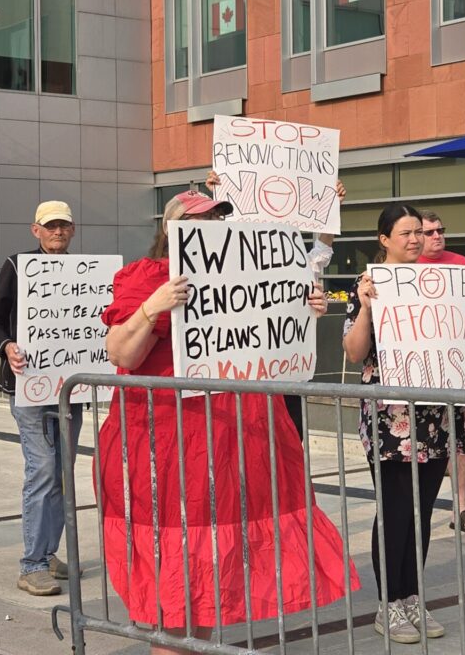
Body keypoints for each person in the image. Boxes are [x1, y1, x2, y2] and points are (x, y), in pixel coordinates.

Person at [98, 190, 357, 653]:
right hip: (168, 445)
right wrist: (153, 307)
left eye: (220, 216)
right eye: (203, 218)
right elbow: (121, 353)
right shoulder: (150, 276)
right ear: (173, 229)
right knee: (172, 587)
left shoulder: (246, 276)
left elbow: (276, 345)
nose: (215, 224)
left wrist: (302, 310)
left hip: (232, 442)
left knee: (210, 580)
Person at [343, 204, 464, 643]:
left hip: (434, 417)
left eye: (421, 232)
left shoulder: (444, 284)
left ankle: (412, 596)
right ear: (384, 239)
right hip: (390, 420)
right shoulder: (368, 284)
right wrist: (365, 308)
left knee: (422, 513)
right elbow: (354, 352)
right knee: (395, 511)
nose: (416, 240)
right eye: (406, 233)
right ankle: (389, 602)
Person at [0, 200, 84, 596]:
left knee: (62, 472)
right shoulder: (18, 265)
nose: (58, 232)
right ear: (35, 230)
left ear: (73, 230)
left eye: (64, 226)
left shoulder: (85, 271)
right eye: (50, 226)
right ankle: (32, 564)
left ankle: (47, 551)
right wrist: (6, 346)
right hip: (29, 388)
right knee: (42, 470)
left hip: (71, 389)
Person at [204, 171, 347, 441]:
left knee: (288, 446)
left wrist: (331, 209)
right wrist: (218, 196)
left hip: (284, 378)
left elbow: (320, 253)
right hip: (238, 381)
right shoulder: (225, 271)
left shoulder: (294, 269)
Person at [416, 210, 465, 538]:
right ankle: (418, 505)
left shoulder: (460, 264)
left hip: (459, 368)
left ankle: (460, 507)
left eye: (440, 230)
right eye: (429, 232)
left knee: (462, 441)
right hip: (419, 370)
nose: (437, 236)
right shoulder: (405, 269)